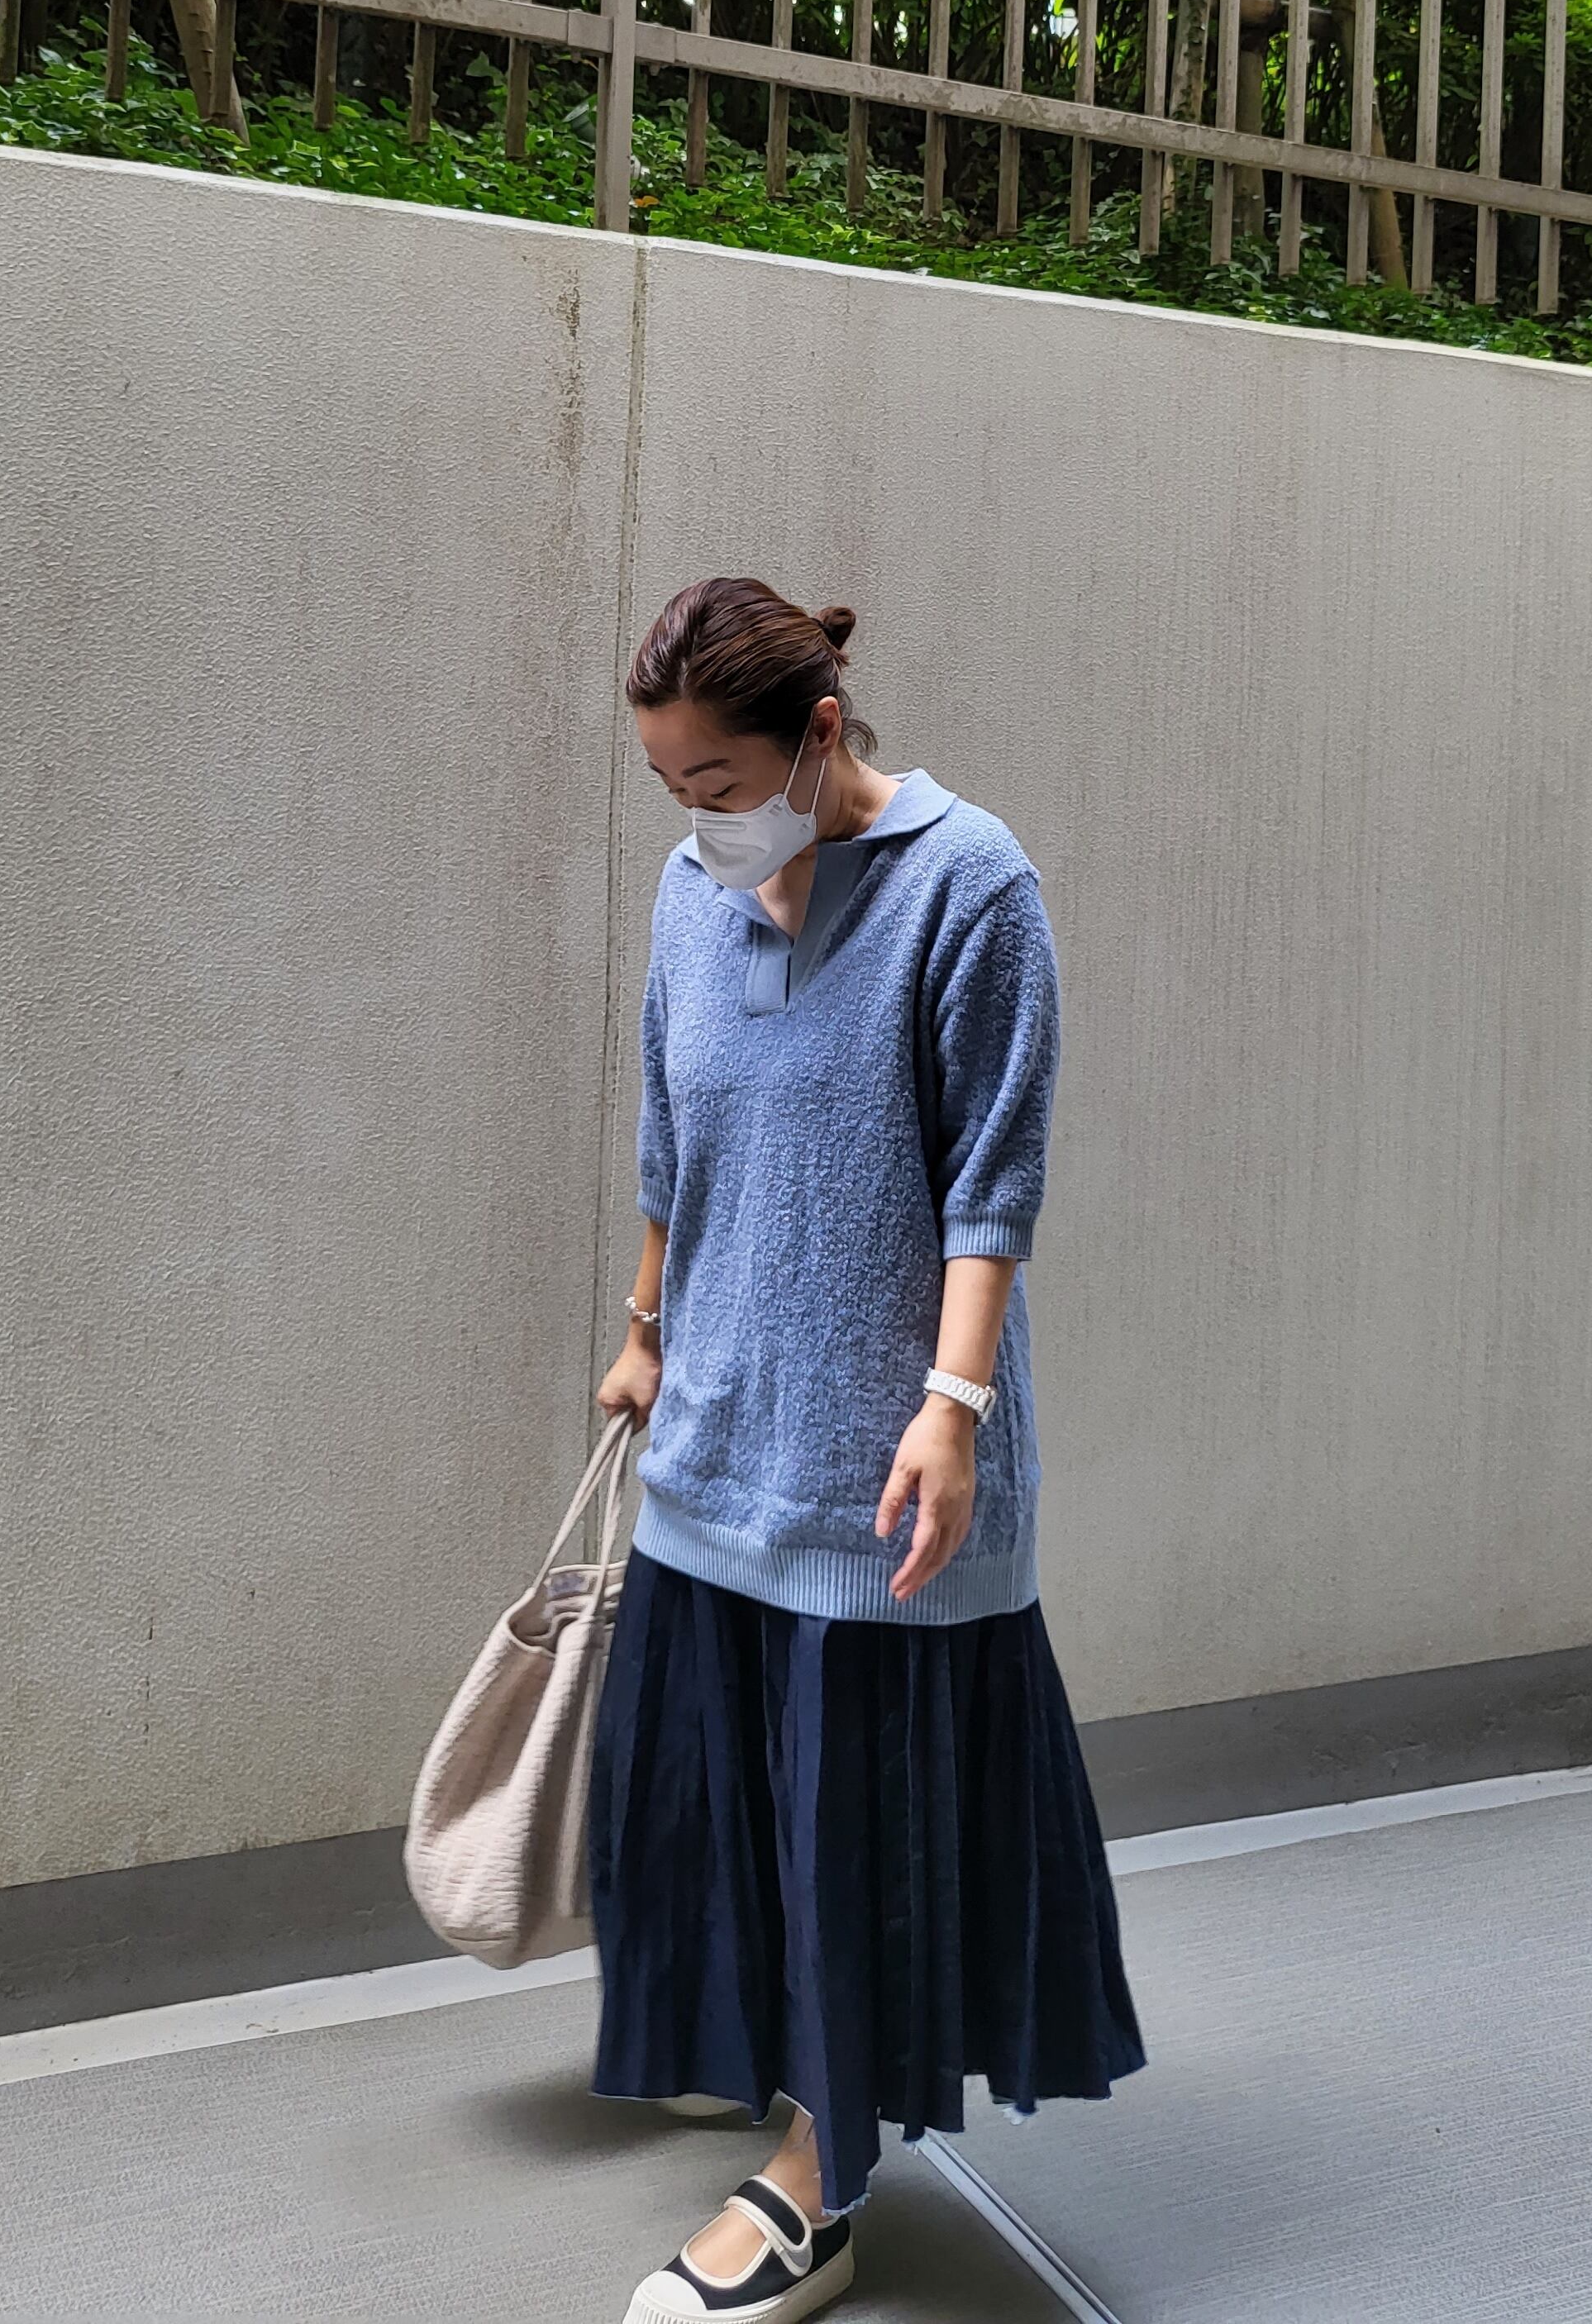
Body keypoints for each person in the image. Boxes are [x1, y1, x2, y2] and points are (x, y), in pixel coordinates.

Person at [590, 577, 1144, 2324]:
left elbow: (994, 1183)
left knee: (849, 1838)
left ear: (817, 732)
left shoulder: (971, 884)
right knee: (721, 1813)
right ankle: (767, 2073)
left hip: (877, 1461)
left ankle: (816, 2195)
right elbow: (673, 1134)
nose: (697, 815)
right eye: (671, 784)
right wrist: (643, 1326)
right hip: (715, 1438)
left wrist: (951, 1409)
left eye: (716, 778)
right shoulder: (693, 893)